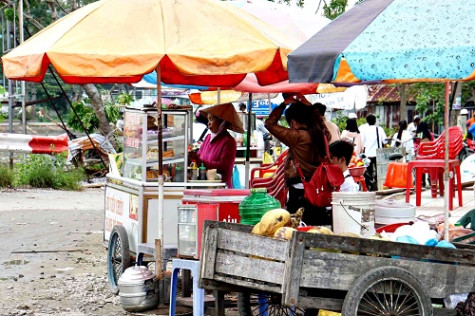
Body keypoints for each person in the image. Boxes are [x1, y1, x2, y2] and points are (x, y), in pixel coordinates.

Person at [265, 96, 331, 226]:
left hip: (300, 190)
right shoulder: (322, 134)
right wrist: (310, 107)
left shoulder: (297, 136)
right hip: (318, 187)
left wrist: (283, 105)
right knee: (316, 227)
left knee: (298, 227)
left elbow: (269, 124)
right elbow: (321, 123)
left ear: (293, 122)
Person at [189, 103, 244, 188]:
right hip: (205, 185)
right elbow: (199, 156)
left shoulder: (229, 141)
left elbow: (222, 166)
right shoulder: (207, 137)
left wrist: (200, 162)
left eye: (211, 119)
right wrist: (193, 158)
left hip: (220, 188)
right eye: (208, 120)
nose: (208, 123)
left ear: (221, 121)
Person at [360, 114, 387, 191]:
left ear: (367, 121)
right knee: (378, 171)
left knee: (369, 171)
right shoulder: (379, 129)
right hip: (378, 153)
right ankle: (377, 184)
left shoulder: (365, 130)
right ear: (375, 120)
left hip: (368, 153)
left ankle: (371, 184)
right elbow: (384, 140)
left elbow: (363, 142)